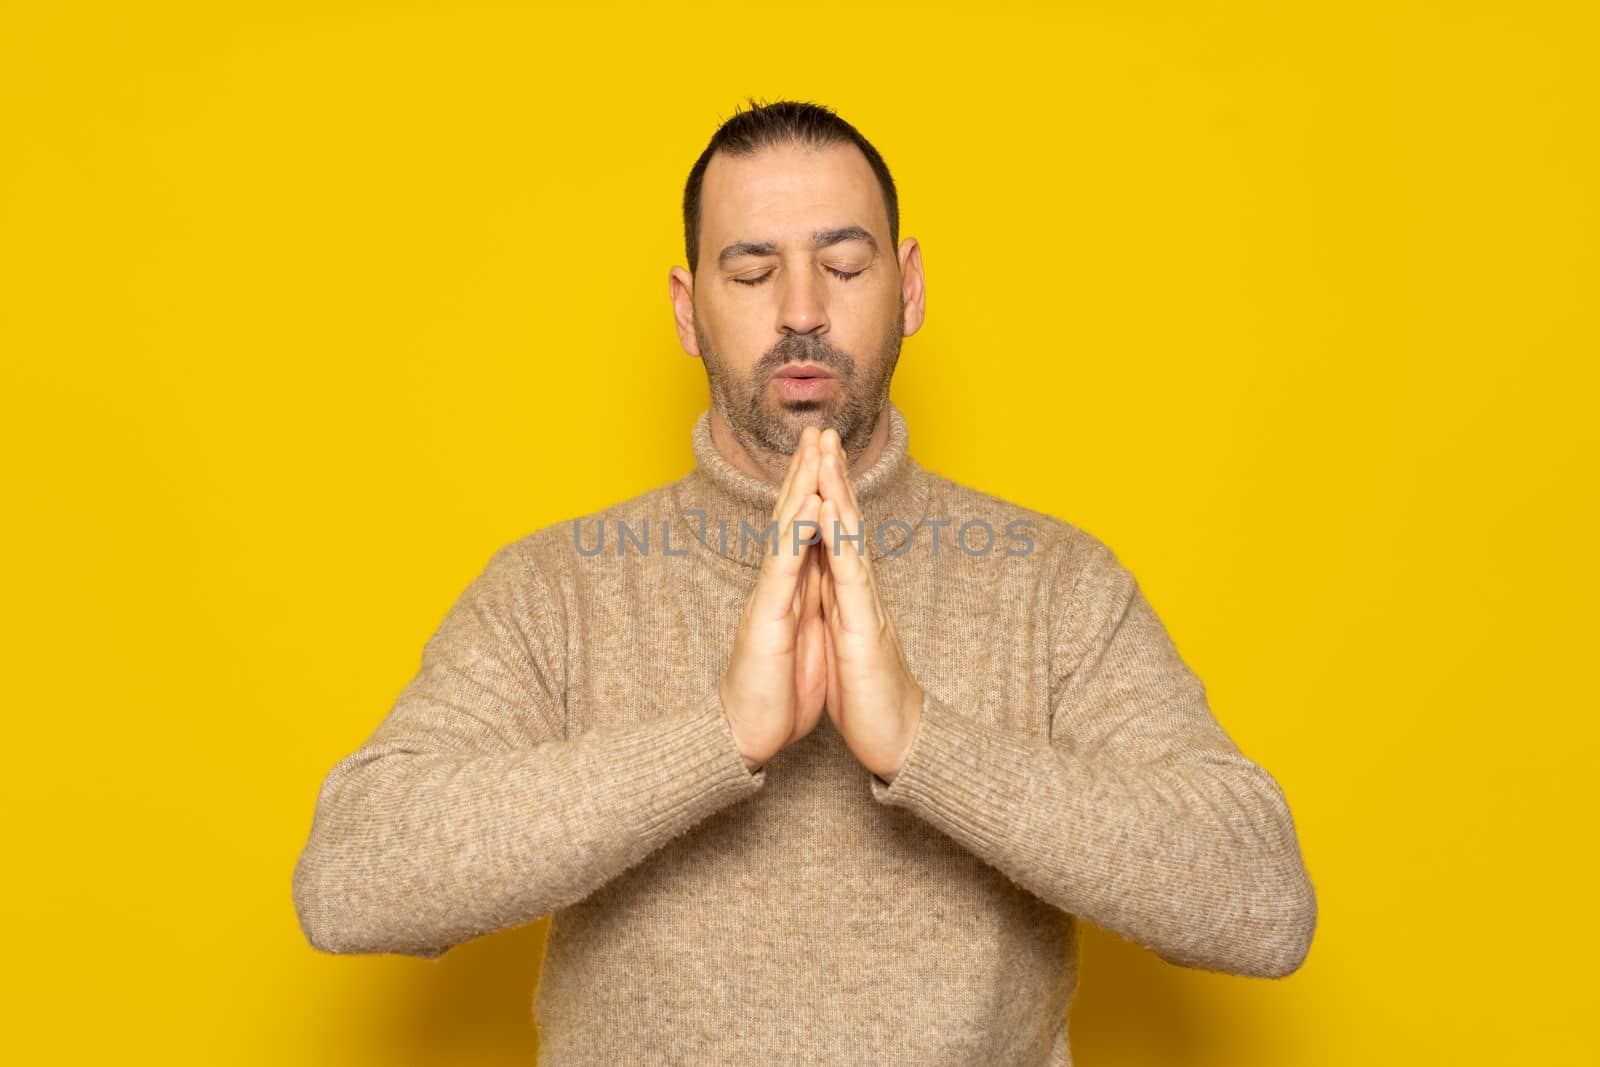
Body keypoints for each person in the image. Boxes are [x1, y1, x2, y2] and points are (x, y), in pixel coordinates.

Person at [291, 98, 1317, 1065]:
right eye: (750, 273)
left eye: (842, 263)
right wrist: (716, 736)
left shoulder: (1054, 585)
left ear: (908, 287)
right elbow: (352, 879)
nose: (801, 311)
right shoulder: (553, 588)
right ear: (689, 310)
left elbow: (1261, 901)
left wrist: (923, 740)